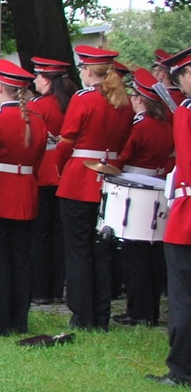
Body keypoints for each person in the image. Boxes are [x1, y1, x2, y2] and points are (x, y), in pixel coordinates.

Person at [53, 45, 134, 330]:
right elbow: (124, 140)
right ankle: (101, 314)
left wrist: (61, 168)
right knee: (101, 250)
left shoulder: (84, 99)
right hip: (108, 179)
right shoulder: (123, 102)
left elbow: (66, 142)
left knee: (78, 250)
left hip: (80, 179)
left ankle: (82, 315)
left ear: (88, 71)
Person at [0, 60, 47, 335]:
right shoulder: (37, 121)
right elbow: (39, 159)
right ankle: (19, 319)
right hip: (25, 191)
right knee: (21, 259)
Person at [112, 68, 175, 327]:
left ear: (139, 98)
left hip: (135, 187)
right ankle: (150, 311)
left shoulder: (140, 125)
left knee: (134, 253)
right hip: (158, 186)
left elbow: (124, 156)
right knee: (152, 253)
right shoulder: (166, 125)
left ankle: (137, 311)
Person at [156, 44, 191, 386]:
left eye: (180, 77)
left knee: (182, 295)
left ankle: (181, 368)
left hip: (187, 214)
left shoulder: (185, 112)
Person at [27, 55, 75, 305]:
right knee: (60, 233)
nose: (34, 80)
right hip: (66, 171)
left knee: (41, 233)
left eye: (37, 76)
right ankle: (57, 286)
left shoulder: (38, 105)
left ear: (46, 80)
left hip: (43, 171)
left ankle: (41, 288)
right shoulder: (72, 102)